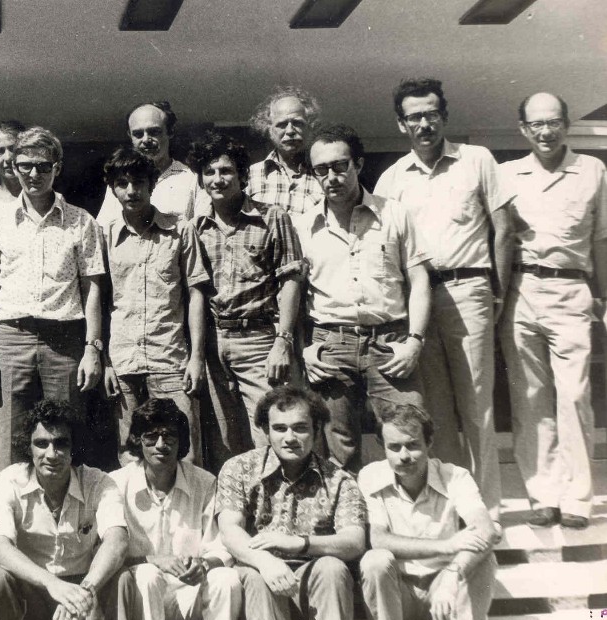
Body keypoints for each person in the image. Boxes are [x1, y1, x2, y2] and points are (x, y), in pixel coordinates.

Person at [374, 78, 512, 523]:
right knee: (434, 412)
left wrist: (498, 293)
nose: (424, 123)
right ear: (401, 124)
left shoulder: (477, 160)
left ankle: (487, 512)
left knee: (477, 406)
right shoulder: (392, 179)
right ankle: (454, 508)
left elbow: (503, 230)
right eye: (414, 116)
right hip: (416, 301)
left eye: (431, 114)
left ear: (444, 116)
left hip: (468, 289)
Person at [296, 123, 432, 473]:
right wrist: (304, 349)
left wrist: (414, 342)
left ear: (357, 164)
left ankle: (410, 506)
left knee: (408, 433)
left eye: (340, 166)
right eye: (321, 170)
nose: (331, 177)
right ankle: (350, 507)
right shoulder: (303, 226)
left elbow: (419, 280)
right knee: (339, 446)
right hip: (331, 346)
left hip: (390, 344)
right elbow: (294, 294)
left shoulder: (395, 214)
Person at [499, 92, 607, 530]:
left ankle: (578, 497)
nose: (546, 132)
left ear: (566, 124)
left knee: (575, 396)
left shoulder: (593, 170)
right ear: (524, 129)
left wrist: (604, 297)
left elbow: (601, 240)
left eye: (553, 122)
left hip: (572, 290)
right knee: (530, 400)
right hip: (521, 290)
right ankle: (543, 494)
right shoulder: (508, 174)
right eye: (536, 124)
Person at [0, 126, 107, 473]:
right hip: (11, 339)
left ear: (57, 168)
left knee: (65, 437)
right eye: (26, 166)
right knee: (9, 438)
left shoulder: (82, 221)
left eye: (43, 166)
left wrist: (92, 348)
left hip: (64, 341)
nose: (34, 174)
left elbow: (92, 288)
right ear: (14, 167)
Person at [187, 131, 305, 468]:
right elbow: (196, 292)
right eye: (209, 172)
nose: (217, 179)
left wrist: (282, 341)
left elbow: (291, 281)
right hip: (214, 343)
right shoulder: (196, 228)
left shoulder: (273, 217)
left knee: (271, 435)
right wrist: (198, 354)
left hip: (258, 341)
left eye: (226, 171)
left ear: (242, 176)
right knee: (225, 443)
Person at [216, 387, 367, 620]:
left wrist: (299, 543)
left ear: (316, 430)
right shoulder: (239, 468)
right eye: (279, 428)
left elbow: (354, 542)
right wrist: (265, 562)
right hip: (261, 580)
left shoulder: (339, 480)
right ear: (266, 431)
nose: (290, 438)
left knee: (332, 568)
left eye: (300, 428)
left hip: (315, 581)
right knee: (253, 575)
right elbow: (230, 530)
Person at [0, 400, 128, 620]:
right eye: (41, 443)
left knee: (122, 577)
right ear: (28, 447)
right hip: (31, 590)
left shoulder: (99, 483)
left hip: (84, 591)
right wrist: (52, 584)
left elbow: (118, 541)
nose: (51, 454)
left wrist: (84, 592)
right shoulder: (8, 482)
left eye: (61, 443)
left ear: (74, 447)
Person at [99, 146, 207, 462]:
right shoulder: (104, 237)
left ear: (152, 184)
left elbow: (196, 294)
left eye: (138, 182)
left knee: (184, 454)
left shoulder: (180, 230)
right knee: (130, 454)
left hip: (170, 361)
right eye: (122, 183)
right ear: (113, 189)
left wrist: (196, 358)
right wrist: (106, 362)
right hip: (123, 363)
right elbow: (100, 302)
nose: (131, 191)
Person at [359, 405, 498, 620]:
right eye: (394, 447)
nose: (404, 455)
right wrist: (446, 546)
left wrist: (453, 573)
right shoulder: (371, 475)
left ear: (429, 443)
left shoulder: (455, 476)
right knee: (375, 560)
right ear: (383, 447)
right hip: (398, 592)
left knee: (485, 559)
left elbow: (486, 530)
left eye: (412, 445)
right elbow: (378, 539)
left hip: (445, 591)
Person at [110, 399, 239, 620]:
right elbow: (107, 553)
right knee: (148, 574)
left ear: (181, 441)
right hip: (142, 598)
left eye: (169, 436)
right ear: (137, 440)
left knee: (226, 578)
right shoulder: (116, 484)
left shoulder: (204, 482)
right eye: (151, 437)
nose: (161, 444)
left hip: (192, 596)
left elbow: (220, 547)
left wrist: (205, 564)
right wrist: (153, 560)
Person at [97, 101, 201, 225]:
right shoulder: (121, 182)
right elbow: (103, 228)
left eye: (154, 132)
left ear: (170, 132)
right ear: (130, 136)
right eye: (138, 134)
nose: (146, 139)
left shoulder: (192, 178)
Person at [247, 87, 324, 216]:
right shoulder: (251, 175)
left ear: (310, 126)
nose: (290, 131)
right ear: (269, 129)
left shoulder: (324, 174)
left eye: (297, 123)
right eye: (282, 124)